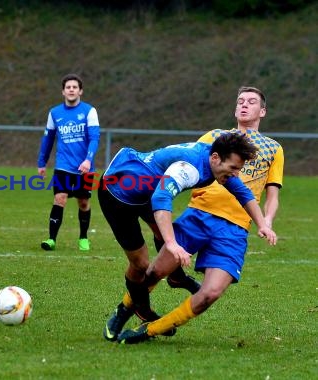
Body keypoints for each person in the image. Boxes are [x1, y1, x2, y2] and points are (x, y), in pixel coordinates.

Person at [116, 86, 284, 344]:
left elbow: (272, 194)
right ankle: (125, 309)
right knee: (154, 272)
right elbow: (187, 166)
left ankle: (151, 329)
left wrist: (266, 222)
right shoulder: (216, 136)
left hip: (235, 229)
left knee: (210, 294)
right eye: (240, 101)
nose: (244, 105)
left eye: (251, 102)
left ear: (262, 111)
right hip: (198, 216)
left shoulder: (274, 148)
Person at [37, 73, 100, 251]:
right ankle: (51, 239)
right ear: (63, 92)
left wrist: (88, 160)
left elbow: (94, 138)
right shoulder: (55, 113)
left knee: (83, 203)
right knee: (60, 198)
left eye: (74, 87)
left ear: (80, 91)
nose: (71, 90)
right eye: (68, 87)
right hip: (62, 165)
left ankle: (83, 238)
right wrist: (42, 163)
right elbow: (47, 140)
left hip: (84, 167)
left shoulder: (89, 111)